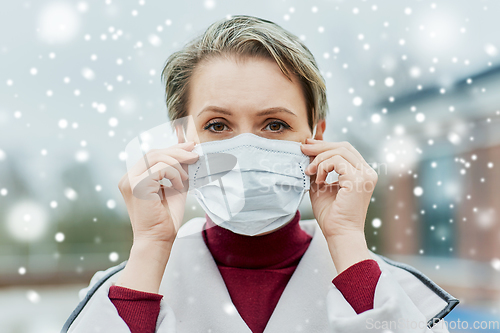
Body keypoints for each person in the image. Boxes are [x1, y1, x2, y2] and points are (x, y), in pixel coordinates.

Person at [61, 15, 459, 333]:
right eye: (218, 125)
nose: (246, 147)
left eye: (274, 124)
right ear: (181, 138)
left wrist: (348, 240)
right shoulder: (129, 289)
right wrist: (149, 245)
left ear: (316, 134)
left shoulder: (388, 289)